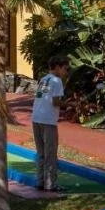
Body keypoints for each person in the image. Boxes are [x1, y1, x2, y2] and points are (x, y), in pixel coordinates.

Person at [32, 54, 67, 192]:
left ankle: (40, 181)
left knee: (41, 153)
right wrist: (69, 104)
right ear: (58, 67)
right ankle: (51, 184)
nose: (66, 72)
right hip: (48, 121)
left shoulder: (44, 79)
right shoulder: (57, 81)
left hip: (36, 119)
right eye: (65, 68)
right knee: (50, 153)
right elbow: (55, 101)